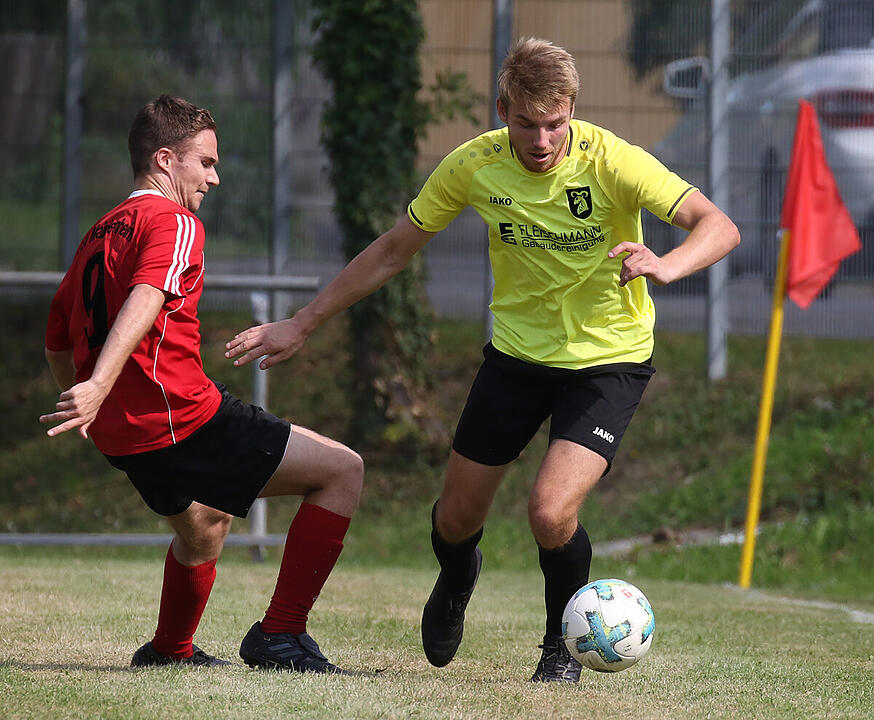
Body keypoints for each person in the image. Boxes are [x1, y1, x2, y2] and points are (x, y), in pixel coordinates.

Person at [225, 38, 740, 682]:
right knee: (455, 517)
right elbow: (392, 251)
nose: (543, 139)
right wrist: (302, 322)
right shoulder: (474, 165)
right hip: (516, 359)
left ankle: (559, 647)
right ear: (503, 111)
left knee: (551, 512)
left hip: (608, 362)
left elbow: (717, 225)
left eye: (556, 123)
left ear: (572, 110)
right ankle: (458, 573)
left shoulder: (614, 161)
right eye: (527, 123)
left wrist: (668, 264)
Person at [40, 94, 364, 674]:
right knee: (342, 470)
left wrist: (88, 400)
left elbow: (57, 337)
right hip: (181, 418)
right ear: (166, 160)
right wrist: (93, 390)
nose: (215, 177)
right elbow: (148, 297)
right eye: (206, 162)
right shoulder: (174, 220)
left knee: (204, 530)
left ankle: (170, 650)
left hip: (126, 436)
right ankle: (281, 635)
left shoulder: (97, 234)